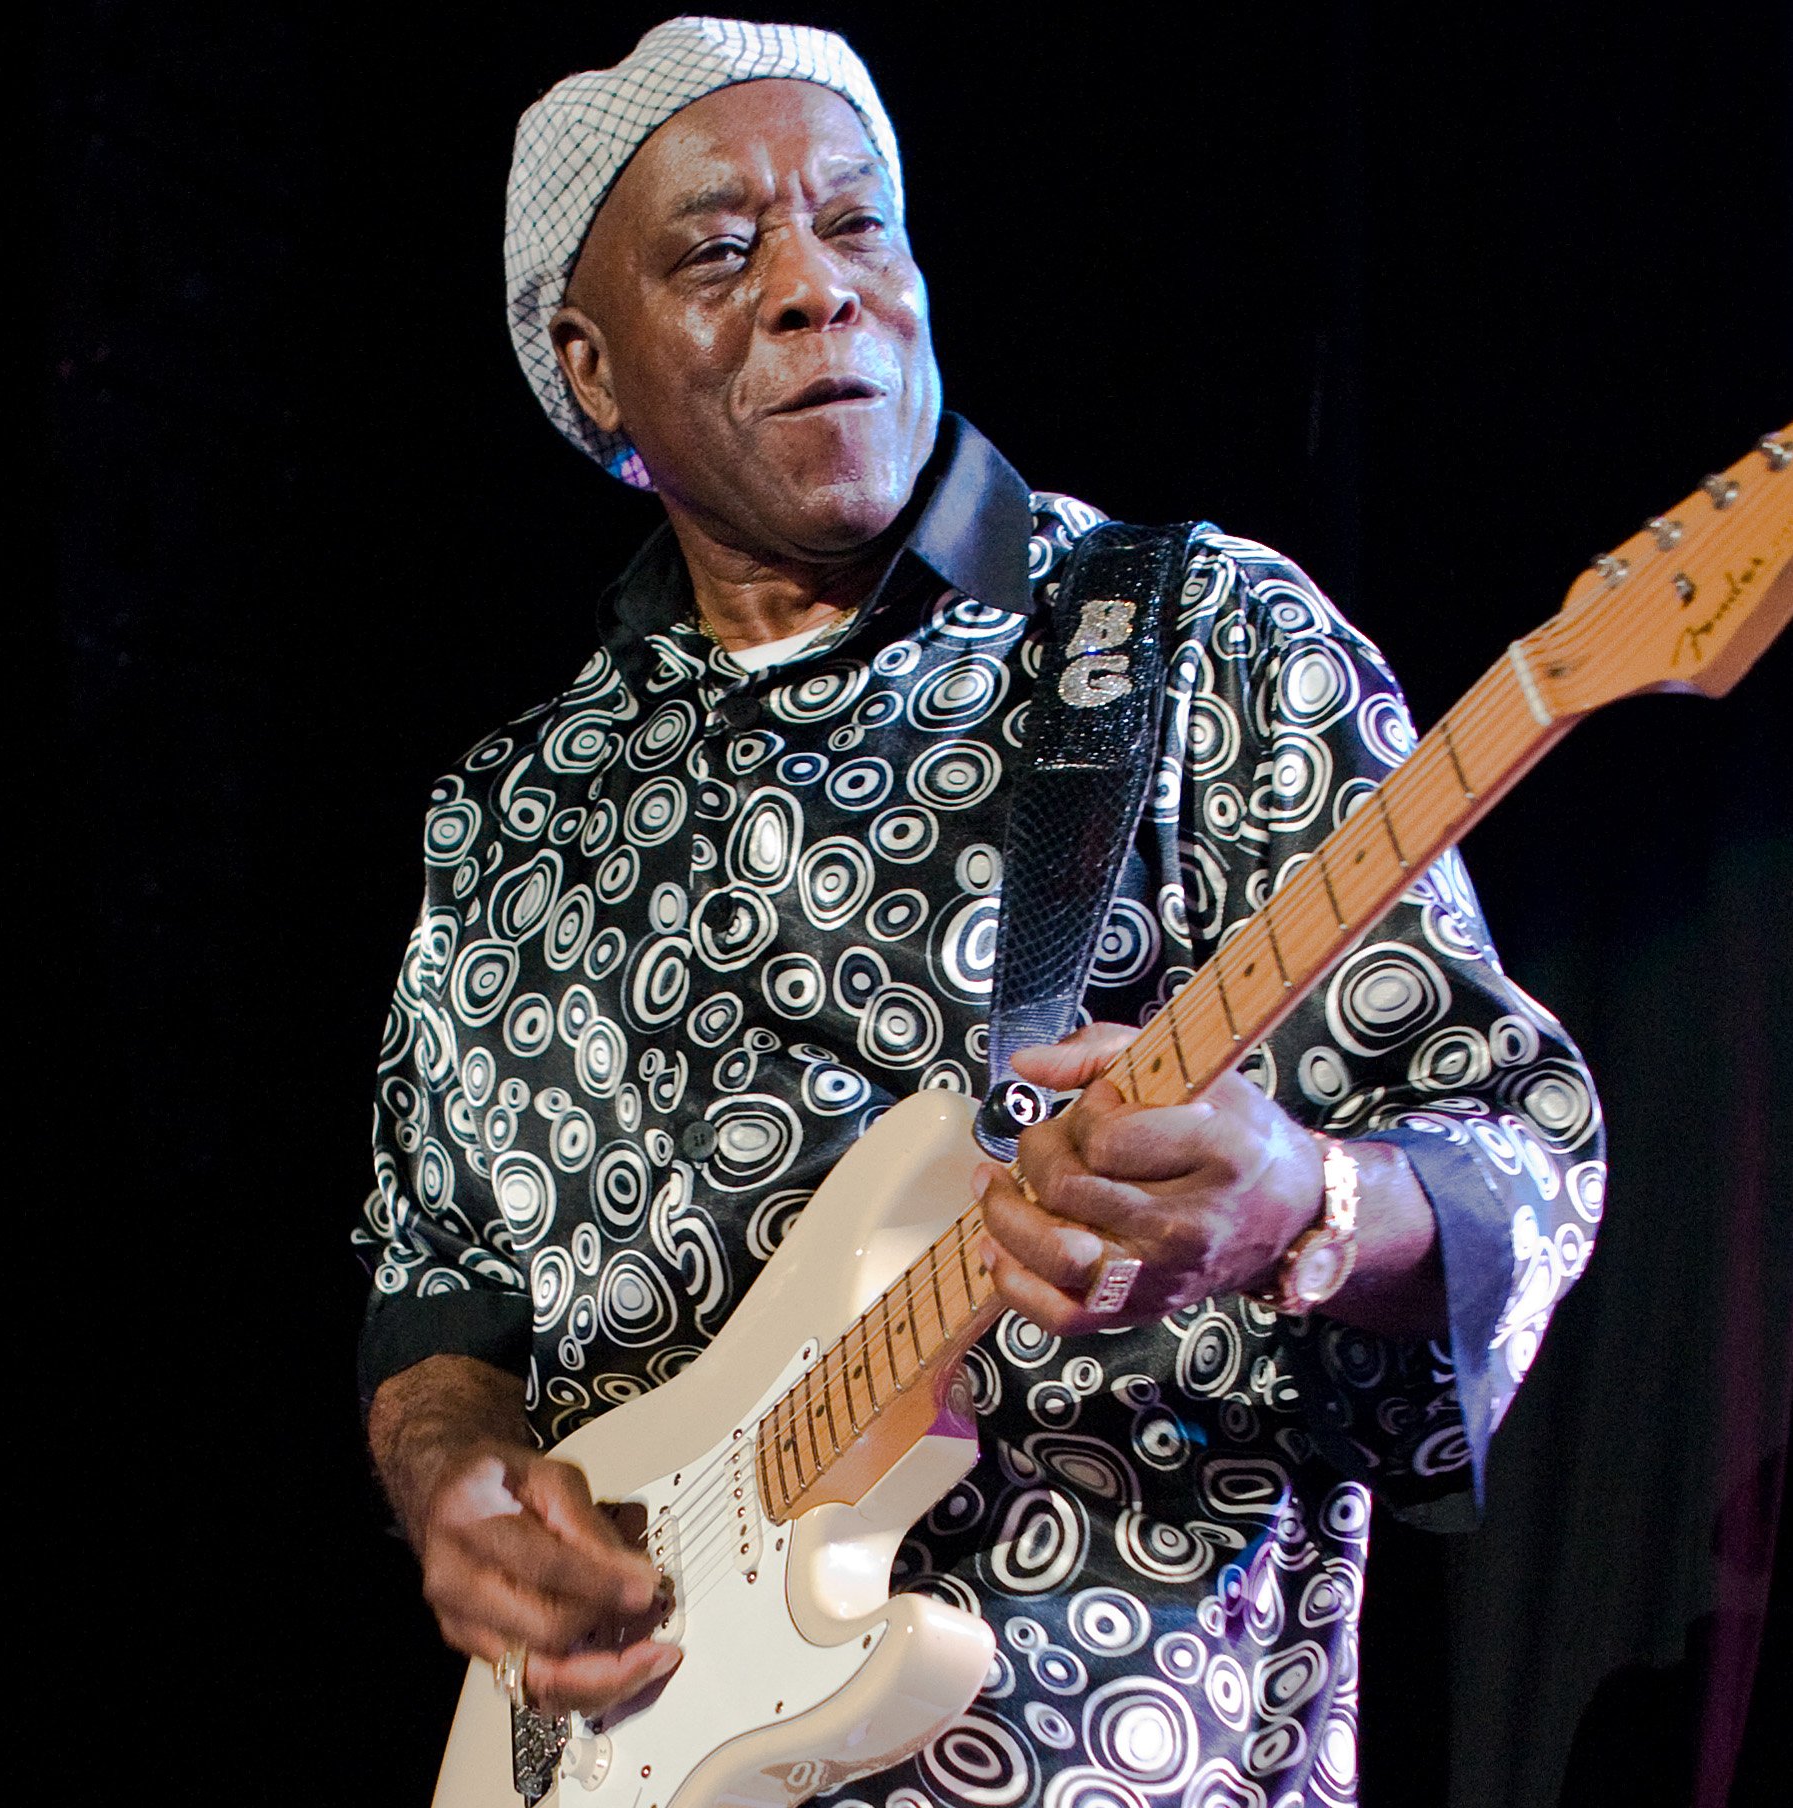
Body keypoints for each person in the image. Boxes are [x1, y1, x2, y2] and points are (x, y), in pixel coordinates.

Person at [354, 19, 1603, 1805]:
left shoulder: (1196, 641)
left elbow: (1517, 1166)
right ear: (592, 367)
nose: (816, 289)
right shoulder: (508, 816)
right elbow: (436, 1292)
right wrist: (457, 1488)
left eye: (858, 224)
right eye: (721, 252)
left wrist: (1306, 1201)